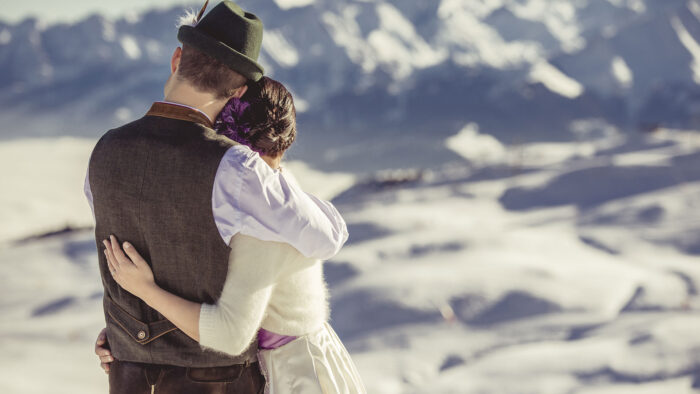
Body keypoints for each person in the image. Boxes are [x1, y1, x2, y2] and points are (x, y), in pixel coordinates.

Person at [85, 1, 349, 393]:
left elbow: (142, 243)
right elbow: (324, 238)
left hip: (129, 377)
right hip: (214, 380)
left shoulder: (103, 152)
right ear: (239, 89)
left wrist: (123, 332)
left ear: (177, 58)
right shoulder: (236, 169)